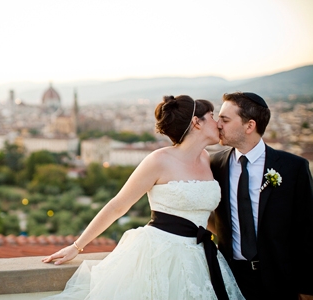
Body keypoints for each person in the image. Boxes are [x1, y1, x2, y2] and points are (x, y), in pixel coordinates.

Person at [42, 95, 244, 300]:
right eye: (212, 116)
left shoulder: (206, 159)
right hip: (159, 255)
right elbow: (117, 206)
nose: (218, 123)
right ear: (196, 122)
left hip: (201, 258)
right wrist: (77, 246)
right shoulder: (158, 160)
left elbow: (202, 215)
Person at [209, 92, 313, 300]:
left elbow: (307, 231)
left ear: (250, 126)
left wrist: (307, 288)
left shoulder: (294, 167)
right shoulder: (214, 165)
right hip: (231, 278)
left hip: (281, 280)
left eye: (225, 119)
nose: (217, 124)